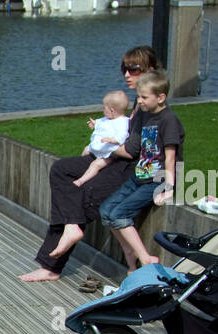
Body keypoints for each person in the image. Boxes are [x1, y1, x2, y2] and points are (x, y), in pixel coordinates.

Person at [19, 44, 159, 282]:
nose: (127, 74)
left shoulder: (150, 106)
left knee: (83, 192)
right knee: (61, 170)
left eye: (134, 69)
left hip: (130, 169)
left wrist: (101, 148)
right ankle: (68, 234)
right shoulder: (137, 103)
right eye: (125, 68)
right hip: (114, 160)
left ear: (151, 70)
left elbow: (135, 150)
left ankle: (52, 264)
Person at [96, 70, 184, 270]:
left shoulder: (168, 120)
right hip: (140, 175)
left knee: (119, 215)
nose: (140, 101)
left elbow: (170, 157)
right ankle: (129, 249)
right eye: (139, 96)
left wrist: (169, 188)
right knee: (105, 210)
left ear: (161, 97)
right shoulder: (145, 115)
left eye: (144, 97)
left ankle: (145, 258)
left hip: (157, 180)